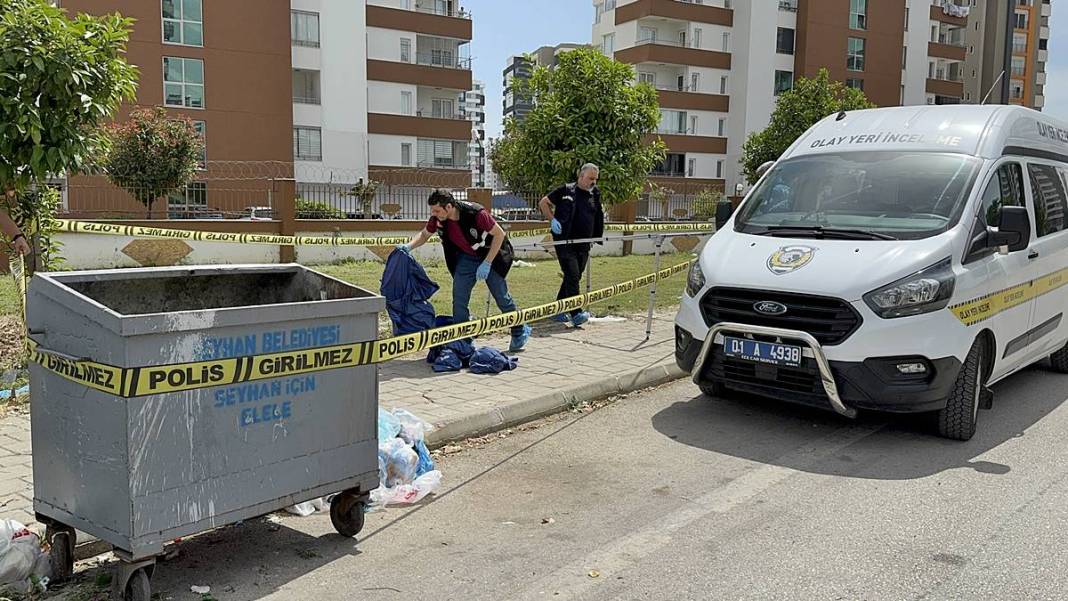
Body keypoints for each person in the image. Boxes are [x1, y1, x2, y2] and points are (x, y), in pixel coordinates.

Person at [397, 190, 532, 352]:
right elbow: (425, 234)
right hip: (466, 258)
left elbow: (499, 234)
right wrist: (408, 247)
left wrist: (487, 262)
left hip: (491, 255)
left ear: (449, 207)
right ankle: (463, 341)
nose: (433, 214)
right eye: (432, 211)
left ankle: (519, 331)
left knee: (501, 296)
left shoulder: (476, 213)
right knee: (459, 298)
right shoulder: (438, 219)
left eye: (437, 210)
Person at [538, 163, 604, 327]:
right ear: (581, 176)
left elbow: (597, 215)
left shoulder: (595, 193)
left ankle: (558, 309)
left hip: (584, 243)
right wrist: (552, 220)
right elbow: (543, 203)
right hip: (565, 242)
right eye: (590, 178)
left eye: (595, 179)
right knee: (573, 275)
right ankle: (576, 313)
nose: (593, 182)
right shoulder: (566, 190)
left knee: (573, 276)